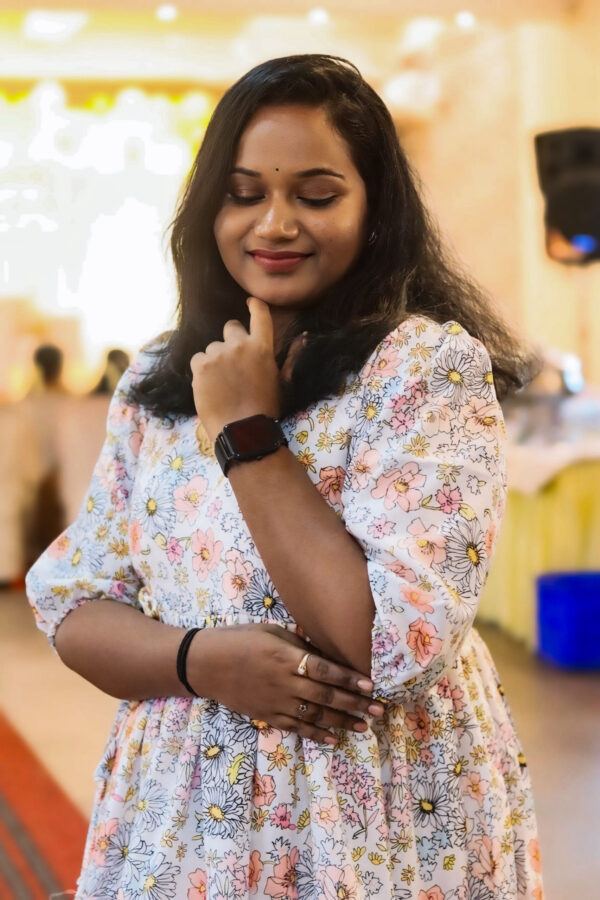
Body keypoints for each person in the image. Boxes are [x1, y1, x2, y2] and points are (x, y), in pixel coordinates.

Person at [26, 55, 543, 899]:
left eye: (316, 194)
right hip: (187, 818)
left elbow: (383, 644)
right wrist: (199, 661)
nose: (274, 223)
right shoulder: (165, 376)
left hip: (376, 815)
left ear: (375, 208)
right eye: (243, 193)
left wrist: (247, 433)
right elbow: (75, 604)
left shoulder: (424, 368)